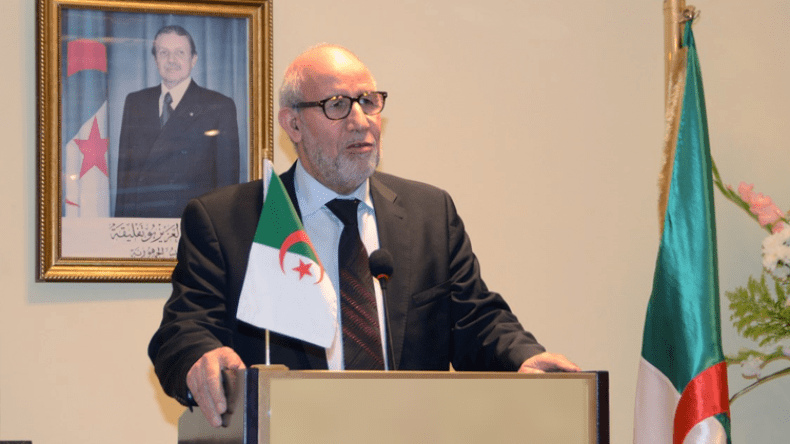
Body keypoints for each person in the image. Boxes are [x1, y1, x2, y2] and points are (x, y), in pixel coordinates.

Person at [148, 44, 579, 427]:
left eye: (369, 102)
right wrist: (200, 358)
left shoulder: (429, 213)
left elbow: (477, 320)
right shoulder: (229, 221)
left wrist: (524, 357)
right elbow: (182, 331)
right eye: (337, 105)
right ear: (293, 125)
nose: (361, 121)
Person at [115, 25, 240, 218]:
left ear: (193, 59)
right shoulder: (135, 102)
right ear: (155, 60)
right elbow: (126, 177)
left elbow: (227, 185)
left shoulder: (218, 107)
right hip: (141, 224)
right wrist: (121, 225)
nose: (171, 60)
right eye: (163, 52)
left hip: (191, 223)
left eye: (180, 53)